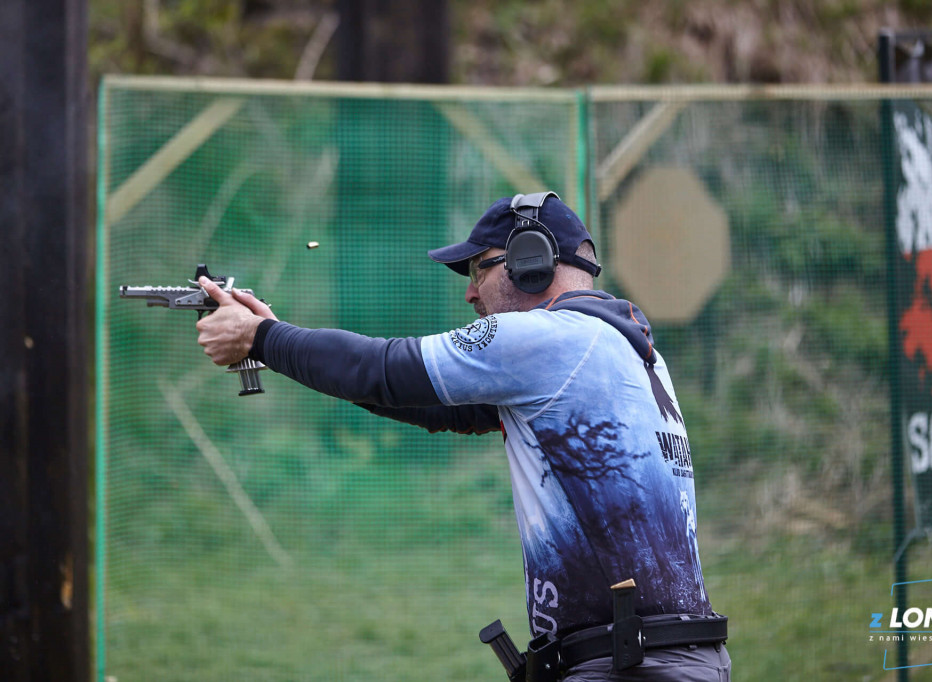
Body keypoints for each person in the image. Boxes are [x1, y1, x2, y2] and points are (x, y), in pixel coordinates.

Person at [196, 191, 730, 681]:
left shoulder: (555, 339)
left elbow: (385, 368)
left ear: (530, 261)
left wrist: (262, 337)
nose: (471, 292)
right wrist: (275, 340)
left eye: (480, 268)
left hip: (629, 665)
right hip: (661, 657)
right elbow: (423, 401)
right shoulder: (624, 351)